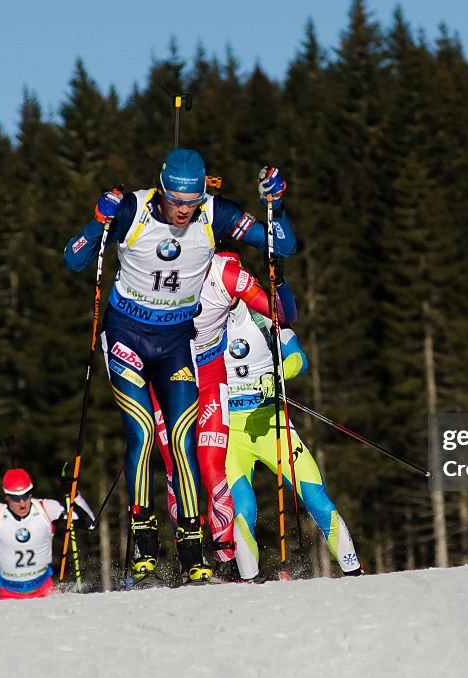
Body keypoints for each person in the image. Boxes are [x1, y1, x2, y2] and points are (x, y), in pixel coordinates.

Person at [62, 150, 295, 584]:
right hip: (127, 336)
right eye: (176, 201)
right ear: (162, 190)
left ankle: (193, 550)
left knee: (185, 441)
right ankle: (145, 539)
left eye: (192, 200)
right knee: (145, 432)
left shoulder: (214, 214)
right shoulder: (132, 209)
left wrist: (275, 205)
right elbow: (74, 258)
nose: (184, 210)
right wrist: (98, 220)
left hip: (174, 343)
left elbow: (281, 246)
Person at [150, 250, 297, 582]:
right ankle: (190, 557)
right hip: (171, 385)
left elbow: (285, 318)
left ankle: (225, 559)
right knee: (177, 468)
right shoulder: (170, 282)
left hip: (215, 392)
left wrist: (280, 284)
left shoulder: (241, 299)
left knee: (213, 470)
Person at [223, 303, 363, 581]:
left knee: (316, 498)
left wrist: (278, 375)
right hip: (230, 432)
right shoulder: (203, 320)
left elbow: (298, 357)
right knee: (242, 509)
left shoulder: (263, 317)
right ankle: (248, 581)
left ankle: (354, 570)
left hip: (273, 425)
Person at [0, 468, 95, 600]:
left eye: (26, 496)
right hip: (9, 595)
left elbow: (89, 523)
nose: (22, 503)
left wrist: (74, 495)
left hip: (45, 591)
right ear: (6, 496)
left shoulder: (46, 508)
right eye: (16, 498)